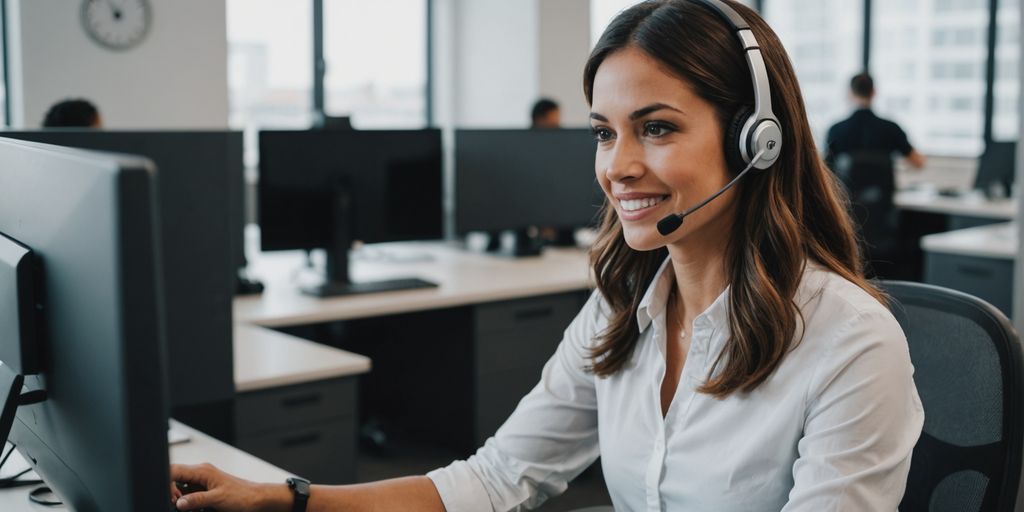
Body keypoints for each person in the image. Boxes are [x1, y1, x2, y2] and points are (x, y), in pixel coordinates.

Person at [170, 1, 923, 510]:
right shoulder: (624, 308)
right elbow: (495, 480)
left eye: (656, 128)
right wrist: (288, 500)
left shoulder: (848, 342)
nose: (617, 165)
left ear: (757, 142)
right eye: (604, 131)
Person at [825, 72, 925, 170]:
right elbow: (918, 162)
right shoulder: (891, 129)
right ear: (873, 92)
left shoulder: (835, 131)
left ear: (850, 94)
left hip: (845, 187)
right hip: (882, 187)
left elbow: (827, 169)